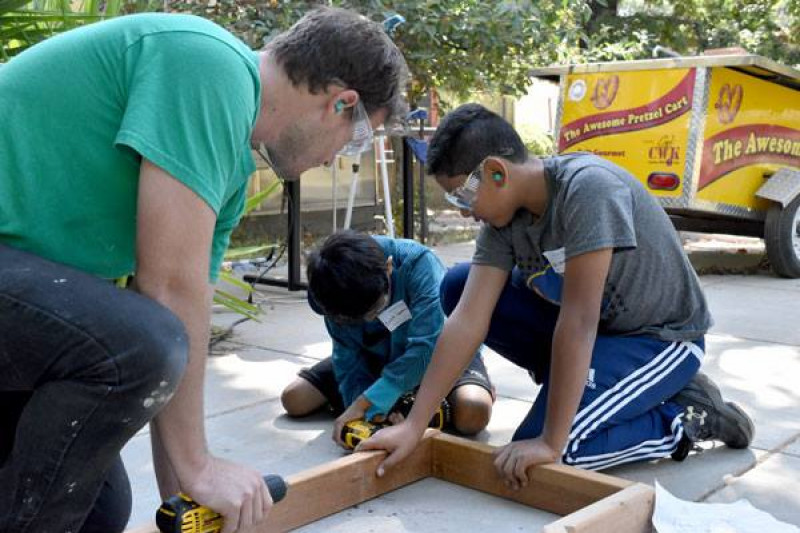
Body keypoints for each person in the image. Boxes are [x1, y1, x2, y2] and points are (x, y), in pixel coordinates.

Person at [0, 7, 407, 533]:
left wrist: (184, 494)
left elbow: (181, 319)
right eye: (354, 140)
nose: (335, 159)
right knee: (139, 346)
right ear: (341, 102)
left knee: (98, 510)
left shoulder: (229, 177)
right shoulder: (208, 63)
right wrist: (200, 465)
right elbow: (165, 292)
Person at [359, 103, 754, 487]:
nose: (464, 211)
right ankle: (596, 389)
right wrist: (414, 426)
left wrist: (551, 441)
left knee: (562, 452)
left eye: (462, 196)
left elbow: (579, 322)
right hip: (597, 335)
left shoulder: (589, 191)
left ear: (496, 172)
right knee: (458, 285)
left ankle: (687, 416)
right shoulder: (502, 223)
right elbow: (467, 320)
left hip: (659, 338)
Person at [281, 230, 494, 446]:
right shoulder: (327, 290)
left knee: (473, 412)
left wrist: (370, 400)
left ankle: (430, 400)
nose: (370, 319)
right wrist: (362, 411)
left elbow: (428, 346)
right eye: (356, 319)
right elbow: (347, 358)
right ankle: (406, 401)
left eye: (376, 308)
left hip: (441, 353)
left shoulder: (419, 264)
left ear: (389, 267)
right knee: (295, 398)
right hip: (373, 356)